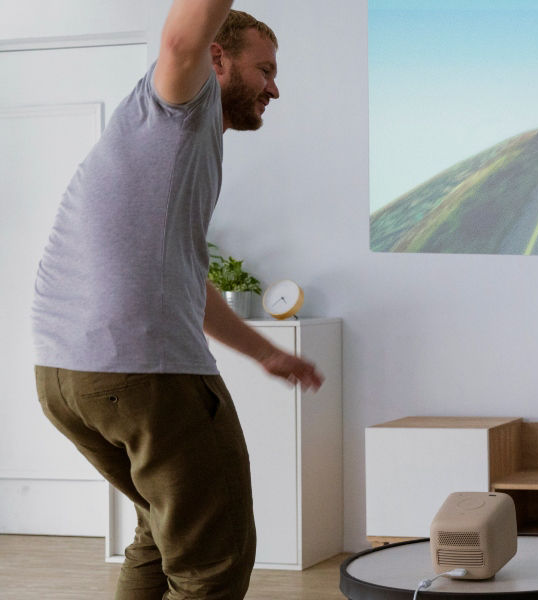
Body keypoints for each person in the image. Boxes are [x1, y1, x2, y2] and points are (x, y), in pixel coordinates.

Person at [31, 2, 322, 598]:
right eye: (264, 69)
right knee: (215, 560)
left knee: (159, 530)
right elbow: (182, 37)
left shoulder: (175, 147)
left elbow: (186, 279)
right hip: (143, 372)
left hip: (66, 378)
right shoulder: (178, 106)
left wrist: (265, 353)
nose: (275, 88)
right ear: (217, 57)